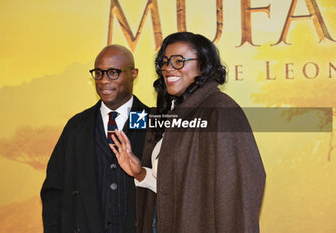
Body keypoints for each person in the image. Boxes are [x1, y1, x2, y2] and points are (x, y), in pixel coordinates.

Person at [110, 32, 266, 233]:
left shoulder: (221, 111)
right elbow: (177, 188)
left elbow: (239, 194)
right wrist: (140, 173)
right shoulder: (170, 112)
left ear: (203, 65)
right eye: (164, 62)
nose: (168, 68)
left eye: (179, 61)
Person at [41, 45, 149, 233]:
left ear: (134, 74)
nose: (104, 81)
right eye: (98, 73)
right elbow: (54, 191)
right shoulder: (77, 127)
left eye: (113, 73)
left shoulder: (154, 123)